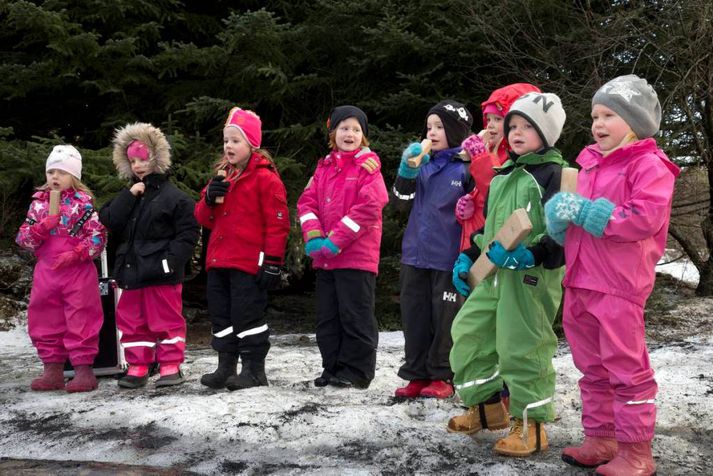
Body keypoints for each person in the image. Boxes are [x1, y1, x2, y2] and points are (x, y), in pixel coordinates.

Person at [546, 75, 679, 476]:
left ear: (635, 122)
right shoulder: (587, 163)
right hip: (581, 280)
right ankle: (602, 438)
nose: (597, 124)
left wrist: (585, 213)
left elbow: (643, 218)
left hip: (620, 285)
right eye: (594, 116)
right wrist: (560, 222)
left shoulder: (650, 165)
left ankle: (637, 452)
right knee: (592, 367)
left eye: (609, 115)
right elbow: (577, 216)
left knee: (626, 368)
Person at [447, 92, 568, 457]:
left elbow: (561, 236)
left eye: (527, 127)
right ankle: (486, 408)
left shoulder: (555, 175)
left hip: (529, 280)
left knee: (523, 346)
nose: (515, 132)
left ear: (547, 134)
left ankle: (531, 425)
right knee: (469, 333)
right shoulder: (502, 177)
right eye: (512, 125)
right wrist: (468, 256)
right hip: (494, 274)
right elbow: (489, 232)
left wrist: (530, 254)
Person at [195, 107, 290, 391]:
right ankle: (226, 366)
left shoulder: (265, 178)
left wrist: (273, 261)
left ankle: (254, 369)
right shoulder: (221, 177)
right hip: (219, 261)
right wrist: (209, 199)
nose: (228, 146)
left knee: (247, 315)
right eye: (226, 141)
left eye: (235, 140)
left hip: (249, 263)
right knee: (221, 315)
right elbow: (202, 217)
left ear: (252, 144)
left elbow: (278, 224)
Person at [99, 123, 199, 389]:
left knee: (166, 321)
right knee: (132, 323)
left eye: (143, 159)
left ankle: (170, 366)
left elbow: (188, 235)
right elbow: (108, 220)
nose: (138, 165)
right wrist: (129, 195)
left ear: (156, 158)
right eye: (132, 160)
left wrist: (169, 262)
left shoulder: (176, 199)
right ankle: (138, 366)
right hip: (131, 274)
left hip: (161, 274)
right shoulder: (128, 195)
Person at [297, 105, 389, 389]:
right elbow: (306, 203)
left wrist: (335, 241)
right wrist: (313, 238)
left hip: (356, 258)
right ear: (333, 132)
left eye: (356, 129)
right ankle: (333, 367)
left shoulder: (368, 166)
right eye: (344, 128)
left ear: (363, 136)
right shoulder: (323, 166)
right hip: (325, 260)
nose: (349, 134)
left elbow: (371, 206)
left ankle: (357, 371)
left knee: (355, 316)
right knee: (328, 317)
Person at [392, 100, 474, 399]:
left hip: (448, 256)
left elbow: (479, 209)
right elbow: (399, 204)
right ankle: (416, 373)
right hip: (415, 253)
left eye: (439, 127)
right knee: (415, 315)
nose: (433, 132)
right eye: (429, 127)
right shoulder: (421, 164)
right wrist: (406, 171)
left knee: (445, 318)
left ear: (454, 131)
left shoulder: (466, 167)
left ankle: (442, 375)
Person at [16, 145, 107, 393]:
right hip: (47, 271)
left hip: (77, 271)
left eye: (62, 172)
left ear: (74, 177)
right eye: (51, 171)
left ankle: (83, 371)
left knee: (82, 317)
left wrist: (77, 253)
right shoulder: (38, 205)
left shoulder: (84, 205)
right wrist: (41, 228)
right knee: (44, 317)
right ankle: (52, 371)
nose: (55, 177)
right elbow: (23, 240)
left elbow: (98, 237)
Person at [453, 83, 541, 257]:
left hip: (499, 247)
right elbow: (484, 197)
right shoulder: (493, 150)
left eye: (498, 119)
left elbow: (497, 192)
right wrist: (469, 204)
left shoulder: (514, 156)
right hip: (477, 241)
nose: (490, 125)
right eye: (489, 119)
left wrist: (479, 158)